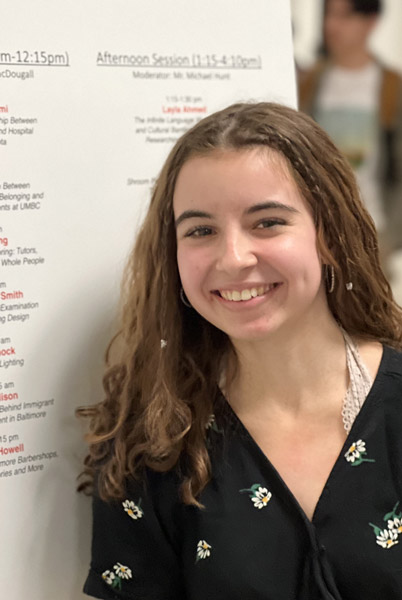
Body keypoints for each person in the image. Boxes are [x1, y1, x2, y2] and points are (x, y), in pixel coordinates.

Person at [79, 102, 402, 600]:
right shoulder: (150, 443)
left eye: (268, 222)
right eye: (200, 231)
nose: (233, 258)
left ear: (330, 232)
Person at [298, 0, 402, 250]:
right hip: (317, 228)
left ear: (370, 21)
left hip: (374, 229)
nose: (332, 25)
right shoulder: (310, 81)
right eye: (329, 15)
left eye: (344, 16)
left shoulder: (392, 87)